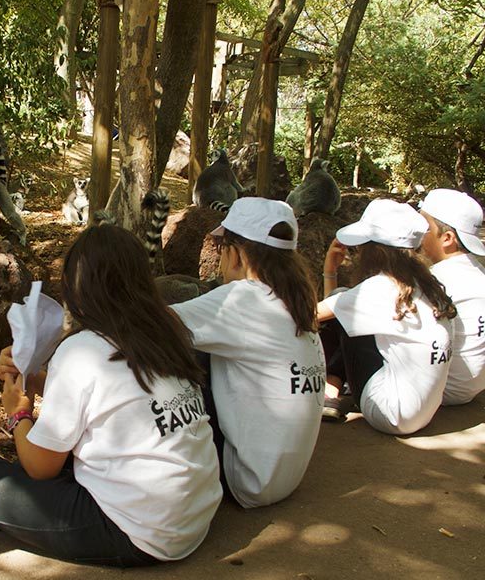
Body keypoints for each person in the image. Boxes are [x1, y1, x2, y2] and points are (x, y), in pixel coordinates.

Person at [0, 224, 221, 567]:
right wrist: (35, 379)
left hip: (136, 534)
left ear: (79, 289)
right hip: (197, 515)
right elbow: (102, 400)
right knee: (52, 456)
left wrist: (19, 414)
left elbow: (39, 468)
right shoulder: (165, 333)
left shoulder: (82, 349)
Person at [170, 197, 325, 509]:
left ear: (236, 254)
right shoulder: (296, 298)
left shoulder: (242, 298)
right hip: (283, 478)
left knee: (178, 347)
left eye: (219, 247)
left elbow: (145, 324)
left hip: (244, 479)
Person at [318, 199, 457, 435]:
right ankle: (334, 385)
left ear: (375, 251)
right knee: (347, 307)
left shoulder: (377, 289)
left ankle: (330, 389)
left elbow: (311, 315)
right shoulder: (428, 286)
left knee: (342, 300)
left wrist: (329, 271)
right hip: (424, 413)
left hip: (388, 413)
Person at [418, 188, 485, 405]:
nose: (418, 232)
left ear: (447, 238)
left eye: (424, 226)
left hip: (445, 390)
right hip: (471, 386)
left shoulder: (438, 279)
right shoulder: (477, 271)